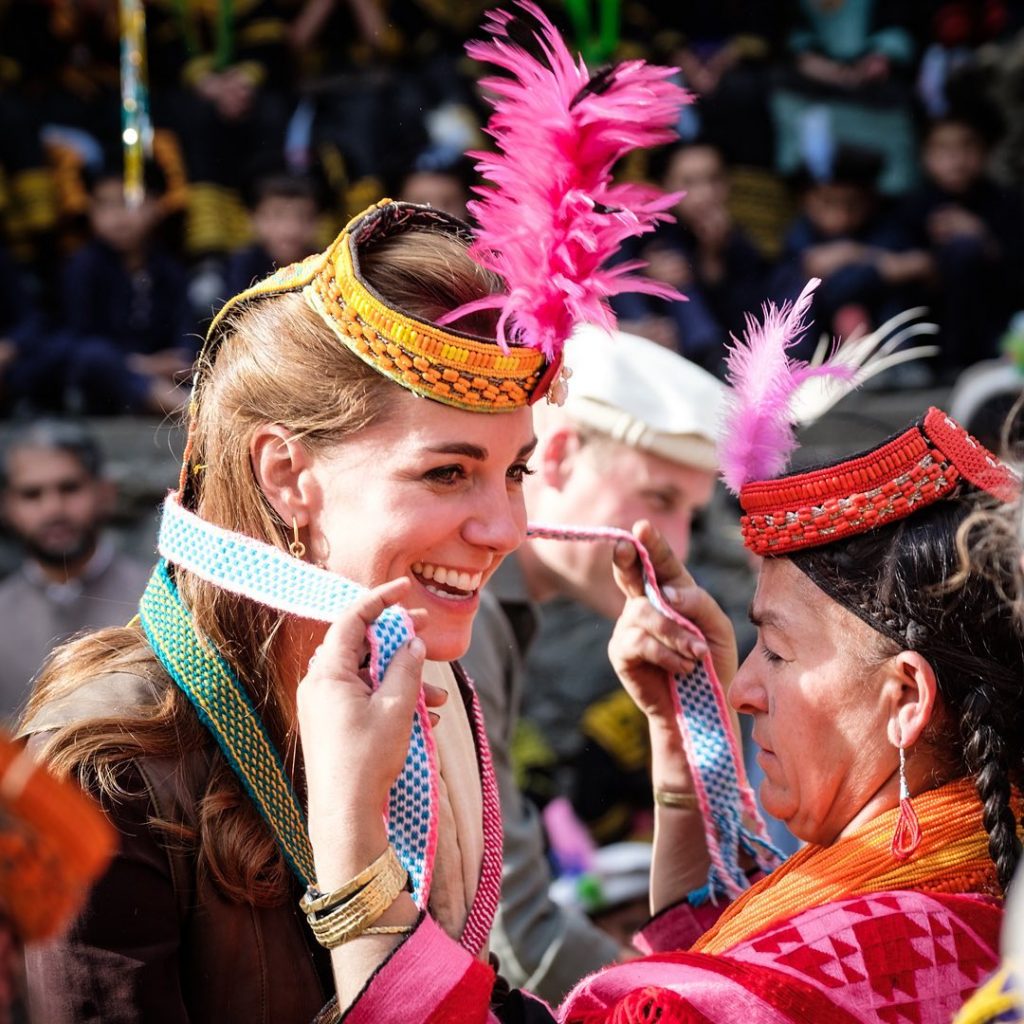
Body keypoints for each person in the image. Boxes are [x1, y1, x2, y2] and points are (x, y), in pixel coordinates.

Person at [289, 288, 1024, 1021]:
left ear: (905, 699)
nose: (741, 689)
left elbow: (713, 995)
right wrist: (685, 735)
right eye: (447, 474)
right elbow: (722, 960)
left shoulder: (865, 948)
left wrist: (350, 843)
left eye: (774, 648)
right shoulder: (980, 873)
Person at [460, 324, 724, 1003]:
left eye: (691, 512)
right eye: (660, 500)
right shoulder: (472, 603)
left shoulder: (493, 602)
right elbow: (510, 925)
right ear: (558, 457)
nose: (678, 542)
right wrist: (675, 1008)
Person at [0, 420, 149, 722]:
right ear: (7, 507)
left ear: (105, 493)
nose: (53, 508)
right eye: (32, 494)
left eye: (69, 488)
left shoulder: (157, 599)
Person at [58, 157, 197, 414]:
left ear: (156, 205)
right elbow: (77, 338)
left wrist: (180, 359)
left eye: (127, 202)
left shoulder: (169, 268)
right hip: (101, 377)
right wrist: (143, 365)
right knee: (91, 356)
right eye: (104, 205)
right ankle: (186, 409)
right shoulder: (83, 266)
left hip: (166, 374)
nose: (116, 217)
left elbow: (184, 330)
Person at [900, 108, 1024, 374]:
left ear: (986, 151)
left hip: (995, 323)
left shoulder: (1008, 204)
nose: (956, 160)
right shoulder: (911, 207)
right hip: (931, 326)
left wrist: (984, 239)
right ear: (924, 155)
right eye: (942, 149)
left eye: (967, 146)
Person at [225, 173, 325, 297]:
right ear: (254, 218)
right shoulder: (243, 266)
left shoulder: (326, 264)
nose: (290, 229)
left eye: (303, 217)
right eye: (277, 215)